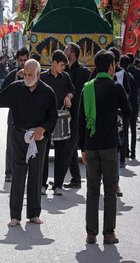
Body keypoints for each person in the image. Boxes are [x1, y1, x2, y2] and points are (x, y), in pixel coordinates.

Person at [0, 59, 58, 227]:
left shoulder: (48, 92)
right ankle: (15, 216)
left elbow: (53, 117)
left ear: (38, 74)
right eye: (25, 74)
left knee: (36, 176)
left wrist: (43, 129)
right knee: (18, 175)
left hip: (38, 139)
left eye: (31, 74)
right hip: (19, 136)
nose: (27, 77)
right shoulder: (16, 89)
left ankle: (34, 213)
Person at [79, 49, 131, 245]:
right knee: (110, 190)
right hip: (109, 146)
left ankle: (91, 234)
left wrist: (81, 148)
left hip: (91, 146)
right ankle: (109, 233)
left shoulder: (87, 88)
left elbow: (80, 121)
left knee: (92, 190)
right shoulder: (116, 88)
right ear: (111, 66)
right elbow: (128, 112)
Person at [40, 50, 75, 196]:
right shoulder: (42, 77)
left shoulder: (65, 77)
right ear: (53, 63)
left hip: (61, 118)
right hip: (45, 120)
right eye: (61, 65)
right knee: (44, 152)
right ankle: (42, 184)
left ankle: (58, 185)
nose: (63, 68)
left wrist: (69, 96)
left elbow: (73, 89)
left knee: (61, 153)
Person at [63, 42, 91, 189]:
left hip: (79, 116)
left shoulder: (83, 72)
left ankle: (58, 181)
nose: (64, 50)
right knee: (71, 147)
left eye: (67, 49)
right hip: (66, 115)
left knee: (68, 148)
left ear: (73, 53)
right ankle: (76, 179)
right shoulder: (65, 71)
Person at [0, 47, 29, 183]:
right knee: (11, 143)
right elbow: (1, 92)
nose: (23, 63)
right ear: (17, 60)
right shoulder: (12, 75)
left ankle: (26, 171)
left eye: (25, 60)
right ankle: (8, 172)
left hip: (30, 114)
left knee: (29, 143)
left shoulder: (35, 74)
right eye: (21, 60)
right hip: (14, 113)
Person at [126, 52, 140, 159]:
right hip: (135, 103)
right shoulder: (138, 72)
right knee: (134, 129)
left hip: (126, 103)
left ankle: (126, 151)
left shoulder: (124, 73)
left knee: (125, 129)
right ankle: (133, 152)